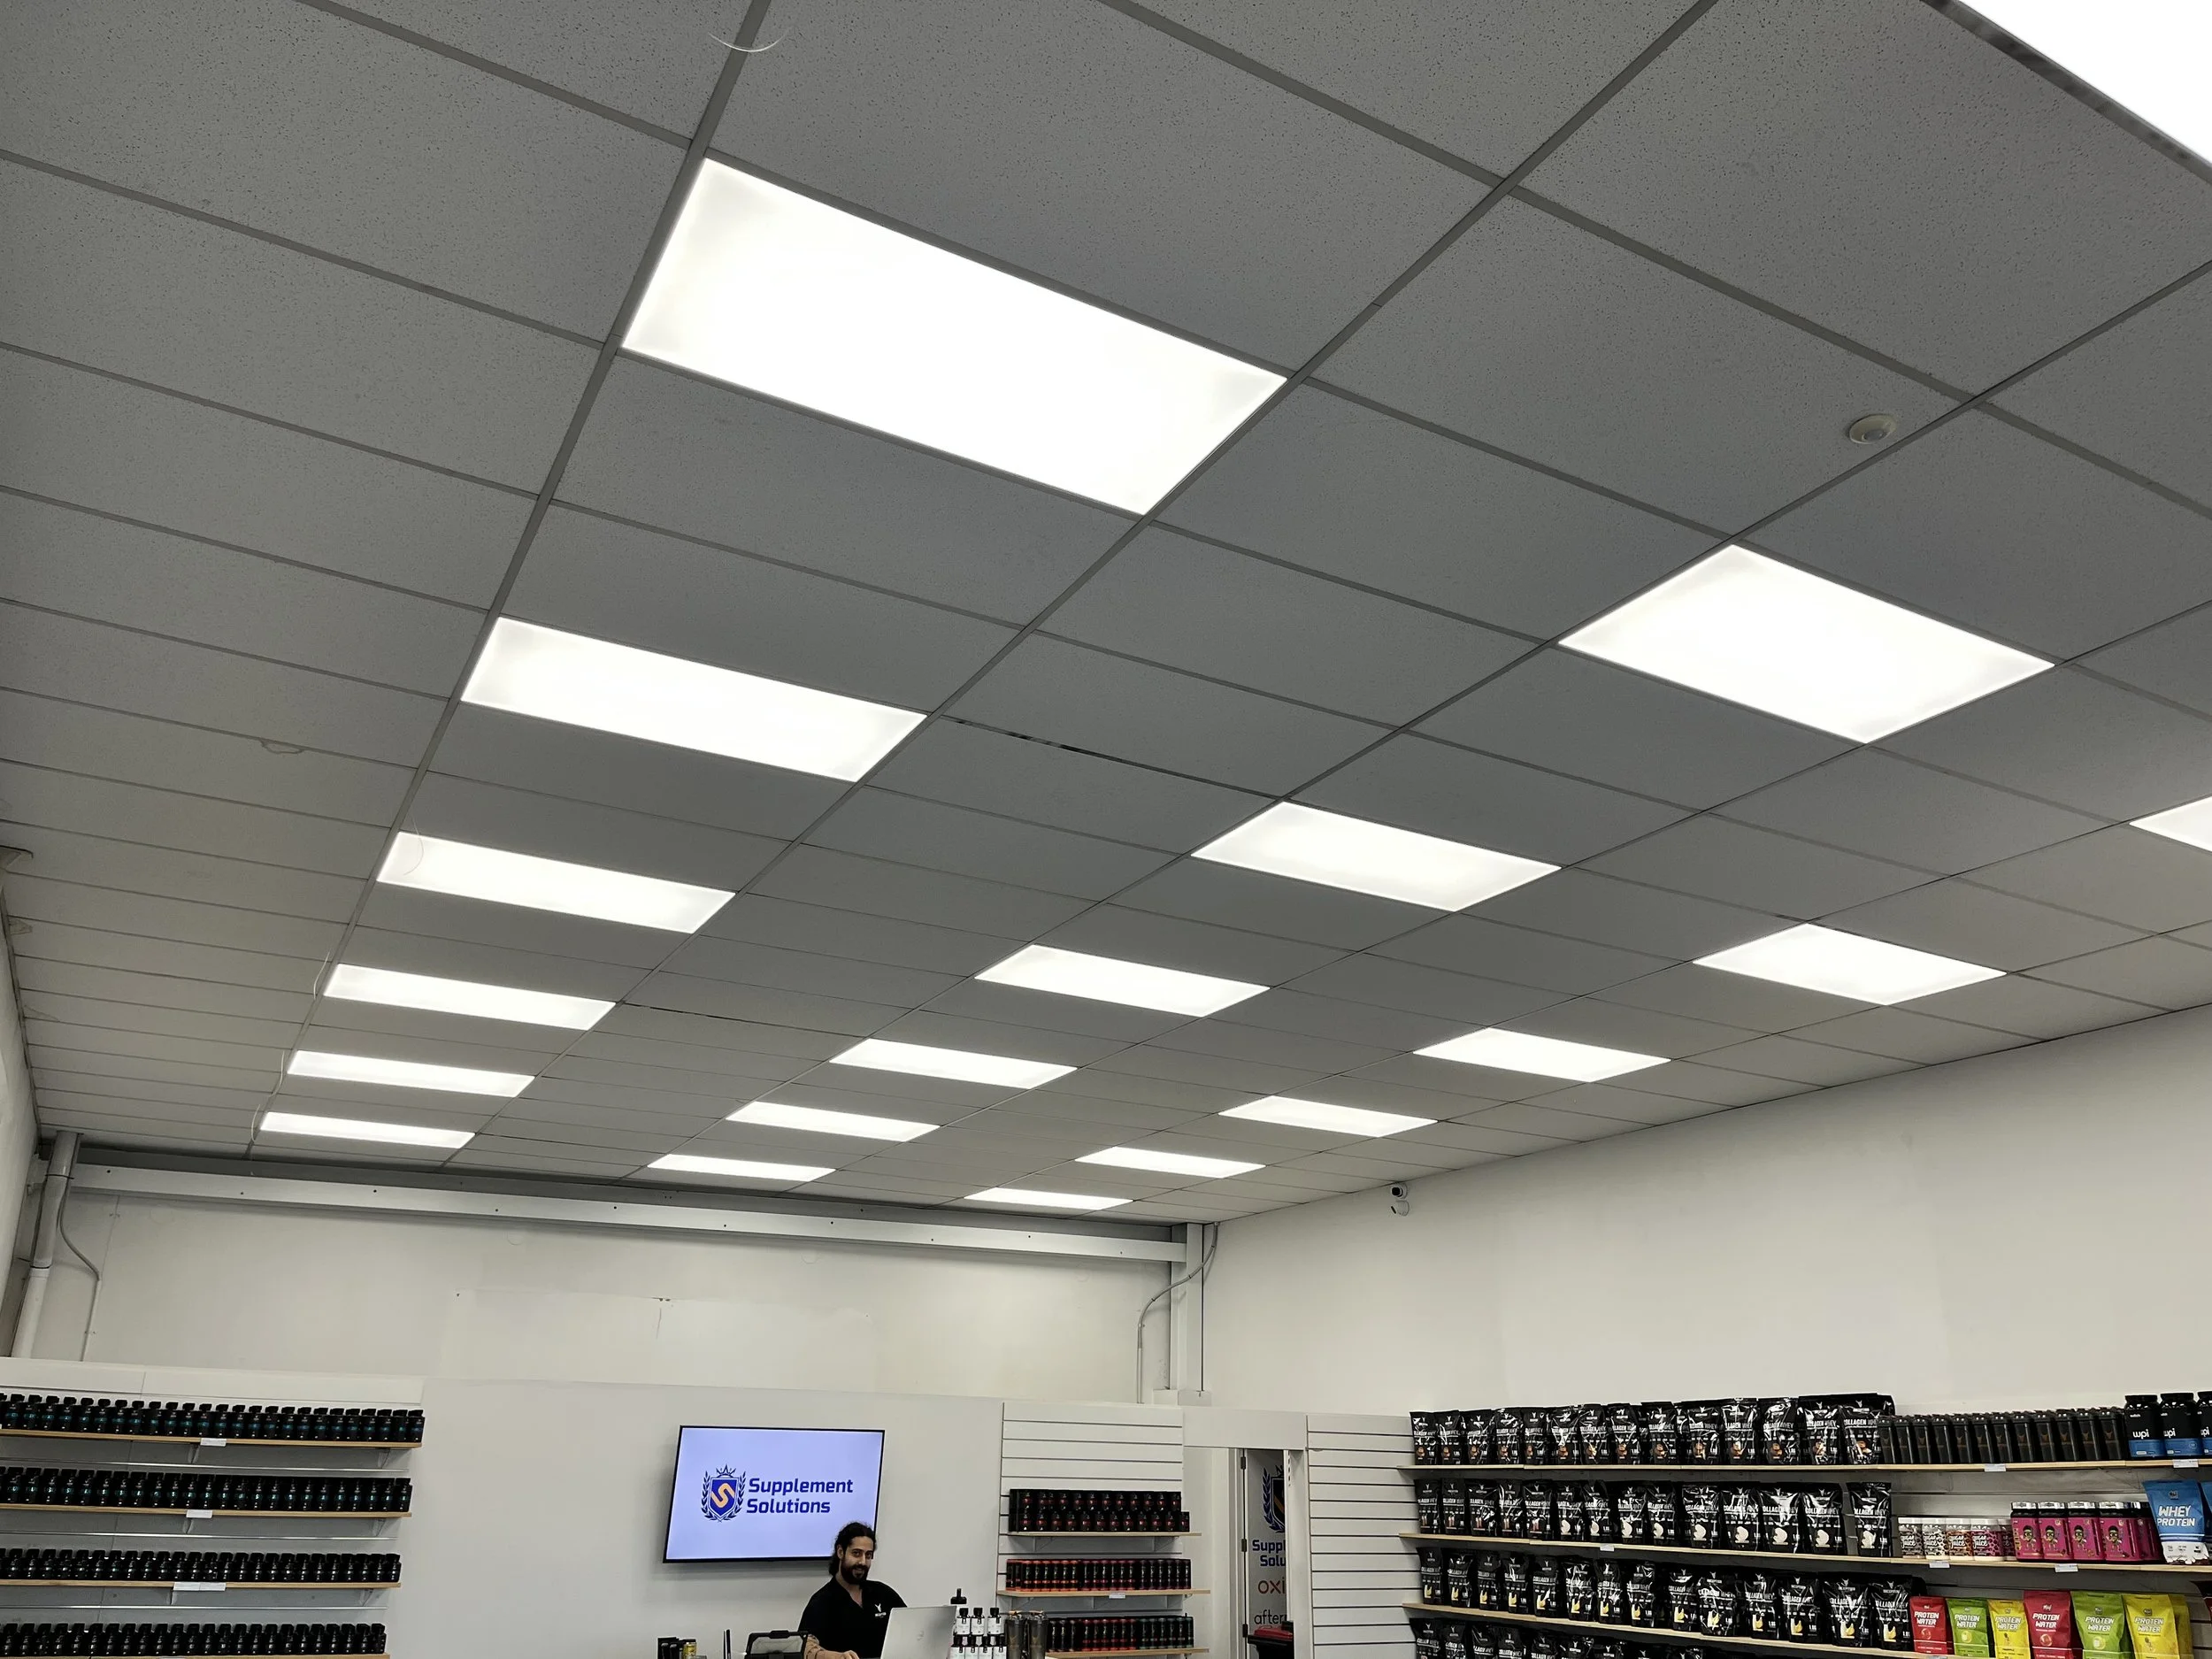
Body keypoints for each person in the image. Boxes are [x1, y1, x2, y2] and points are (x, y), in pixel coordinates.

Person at [801, 1521, 907, 1659]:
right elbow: (805, 1648)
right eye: (856, 1553)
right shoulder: (822, 1602)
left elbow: (911, 1631)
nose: (862, 1562)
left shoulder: (884, 1593)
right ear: (840, 1552)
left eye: (868, 1555)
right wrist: (836, 1657)